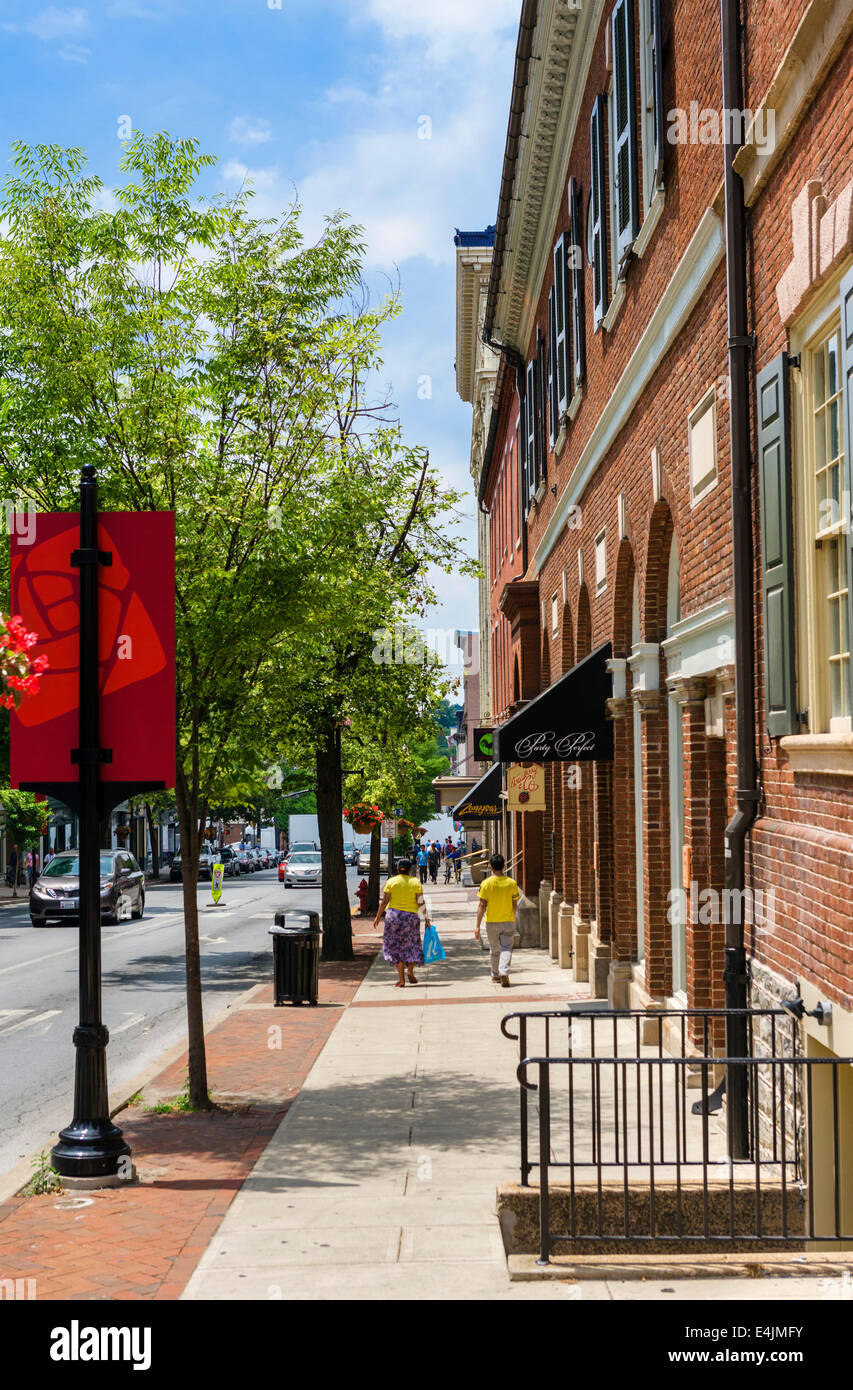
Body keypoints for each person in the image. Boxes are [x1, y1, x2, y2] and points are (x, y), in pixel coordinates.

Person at [373, 858, 431, 988]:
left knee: (396, 946)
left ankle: (401, 980)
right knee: (413, 944)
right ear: (410, 869)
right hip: (411, 917)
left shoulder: (391, 882)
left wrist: (377, 917)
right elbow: (421, 902)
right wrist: (427, 918)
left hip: (393, 917)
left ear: (397, 869)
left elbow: (384, 901)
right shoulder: (415, 882)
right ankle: (410, 970)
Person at [475, 853, 520, 987]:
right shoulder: (511, 883)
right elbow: (515, 905)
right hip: (508, 920)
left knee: (494, 949)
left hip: (491, 921)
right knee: (506, 948)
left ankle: (495, 975)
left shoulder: (486, 884)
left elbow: (482, 905)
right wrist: (513, 915)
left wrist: (477, 926)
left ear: (490, 867)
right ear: (504, 866)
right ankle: (503, 971)